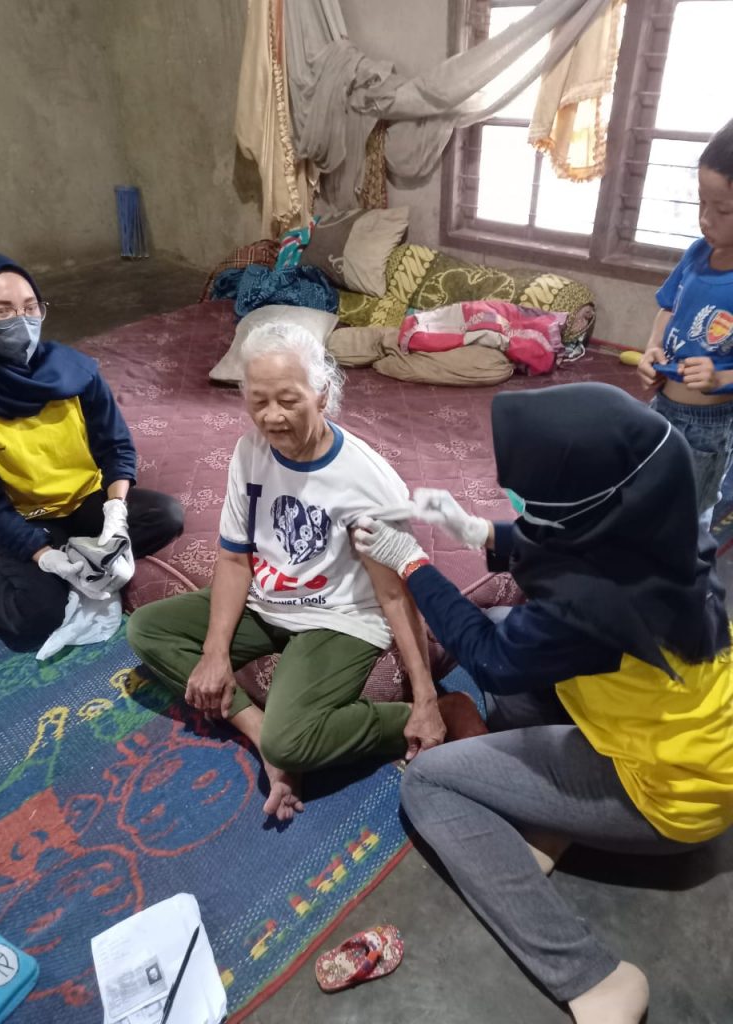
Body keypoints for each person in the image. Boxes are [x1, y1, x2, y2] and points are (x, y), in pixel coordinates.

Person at [355, 382, 733, 1024]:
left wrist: (412, 563)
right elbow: (573, 547)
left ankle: (594, 978)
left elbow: (489, 659)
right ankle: (557, 817)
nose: (521, 505)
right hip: (698, 751)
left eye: (531, 499)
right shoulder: (667, 529)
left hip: (670, 800)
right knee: (510, 620)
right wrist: (479, 531)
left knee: (429, 784)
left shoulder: (592, 609)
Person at [127, 323, 479, 821]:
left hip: (339, 615)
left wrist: (424, 698)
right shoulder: (249, 451)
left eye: (288, 401)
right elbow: (234, 558)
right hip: (268, 597)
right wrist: (214, 652)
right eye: (258, 401)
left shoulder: (365, 482)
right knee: (147, 628)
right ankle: (257, 731)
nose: (271, 416)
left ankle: (444, 710)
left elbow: (394, 593)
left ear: (323, 394)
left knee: (292, 740)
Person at [0, 251, 184, 652]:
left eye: (30, 307)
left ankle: (74, 550)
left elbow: (116, 446)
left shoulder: (74, 372)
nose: (22, 321)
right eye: (0, 312)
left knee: (165, 516)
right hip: (24, 519)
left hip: (85, 500)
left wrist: (115, 512)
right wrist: (42, 554)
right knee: (37, 616)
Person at [637, 118, 733, 527]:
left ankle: (687, 569)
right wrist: (652, 348)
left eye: (723, 210)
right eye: (701, 203)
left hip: (707, 429)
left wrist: (720, 377)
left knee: (687, 519)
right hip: (662, 404)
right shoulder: (697, 253)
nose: (706, 219)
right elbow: (668, 308)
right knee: (643, 495)